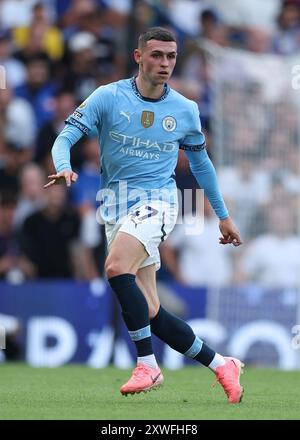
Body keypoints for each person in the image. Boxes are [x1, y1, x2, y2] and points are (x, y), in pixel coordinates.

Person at [45, 27, 244, 403]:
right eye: (157, 55)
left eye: (171, 56)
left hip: (160, 203)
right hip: (116, 206)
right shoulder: (108, 97)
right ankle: (221, 364)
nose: (165, 63)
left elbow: (202, 166)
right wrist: (64, 164)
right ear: (139, 57)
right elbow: (66, 135)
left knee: (117, 267)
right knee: (150, 310)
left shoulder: (185, 110)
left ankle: (148, 365)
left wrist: (223, 215)